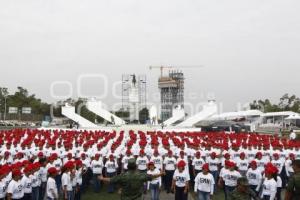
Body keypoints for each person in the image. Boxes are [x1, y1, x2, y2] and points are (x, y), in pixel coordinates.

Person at [100, 158, 165, 200]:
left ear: (128, 166)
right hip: (137, 197)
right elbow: (151, 176)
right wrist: (160, 174)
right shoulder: (140, 175)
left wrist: (102, 178)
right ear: (136, 166)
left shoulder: (123, 176)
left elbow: (111, 179)